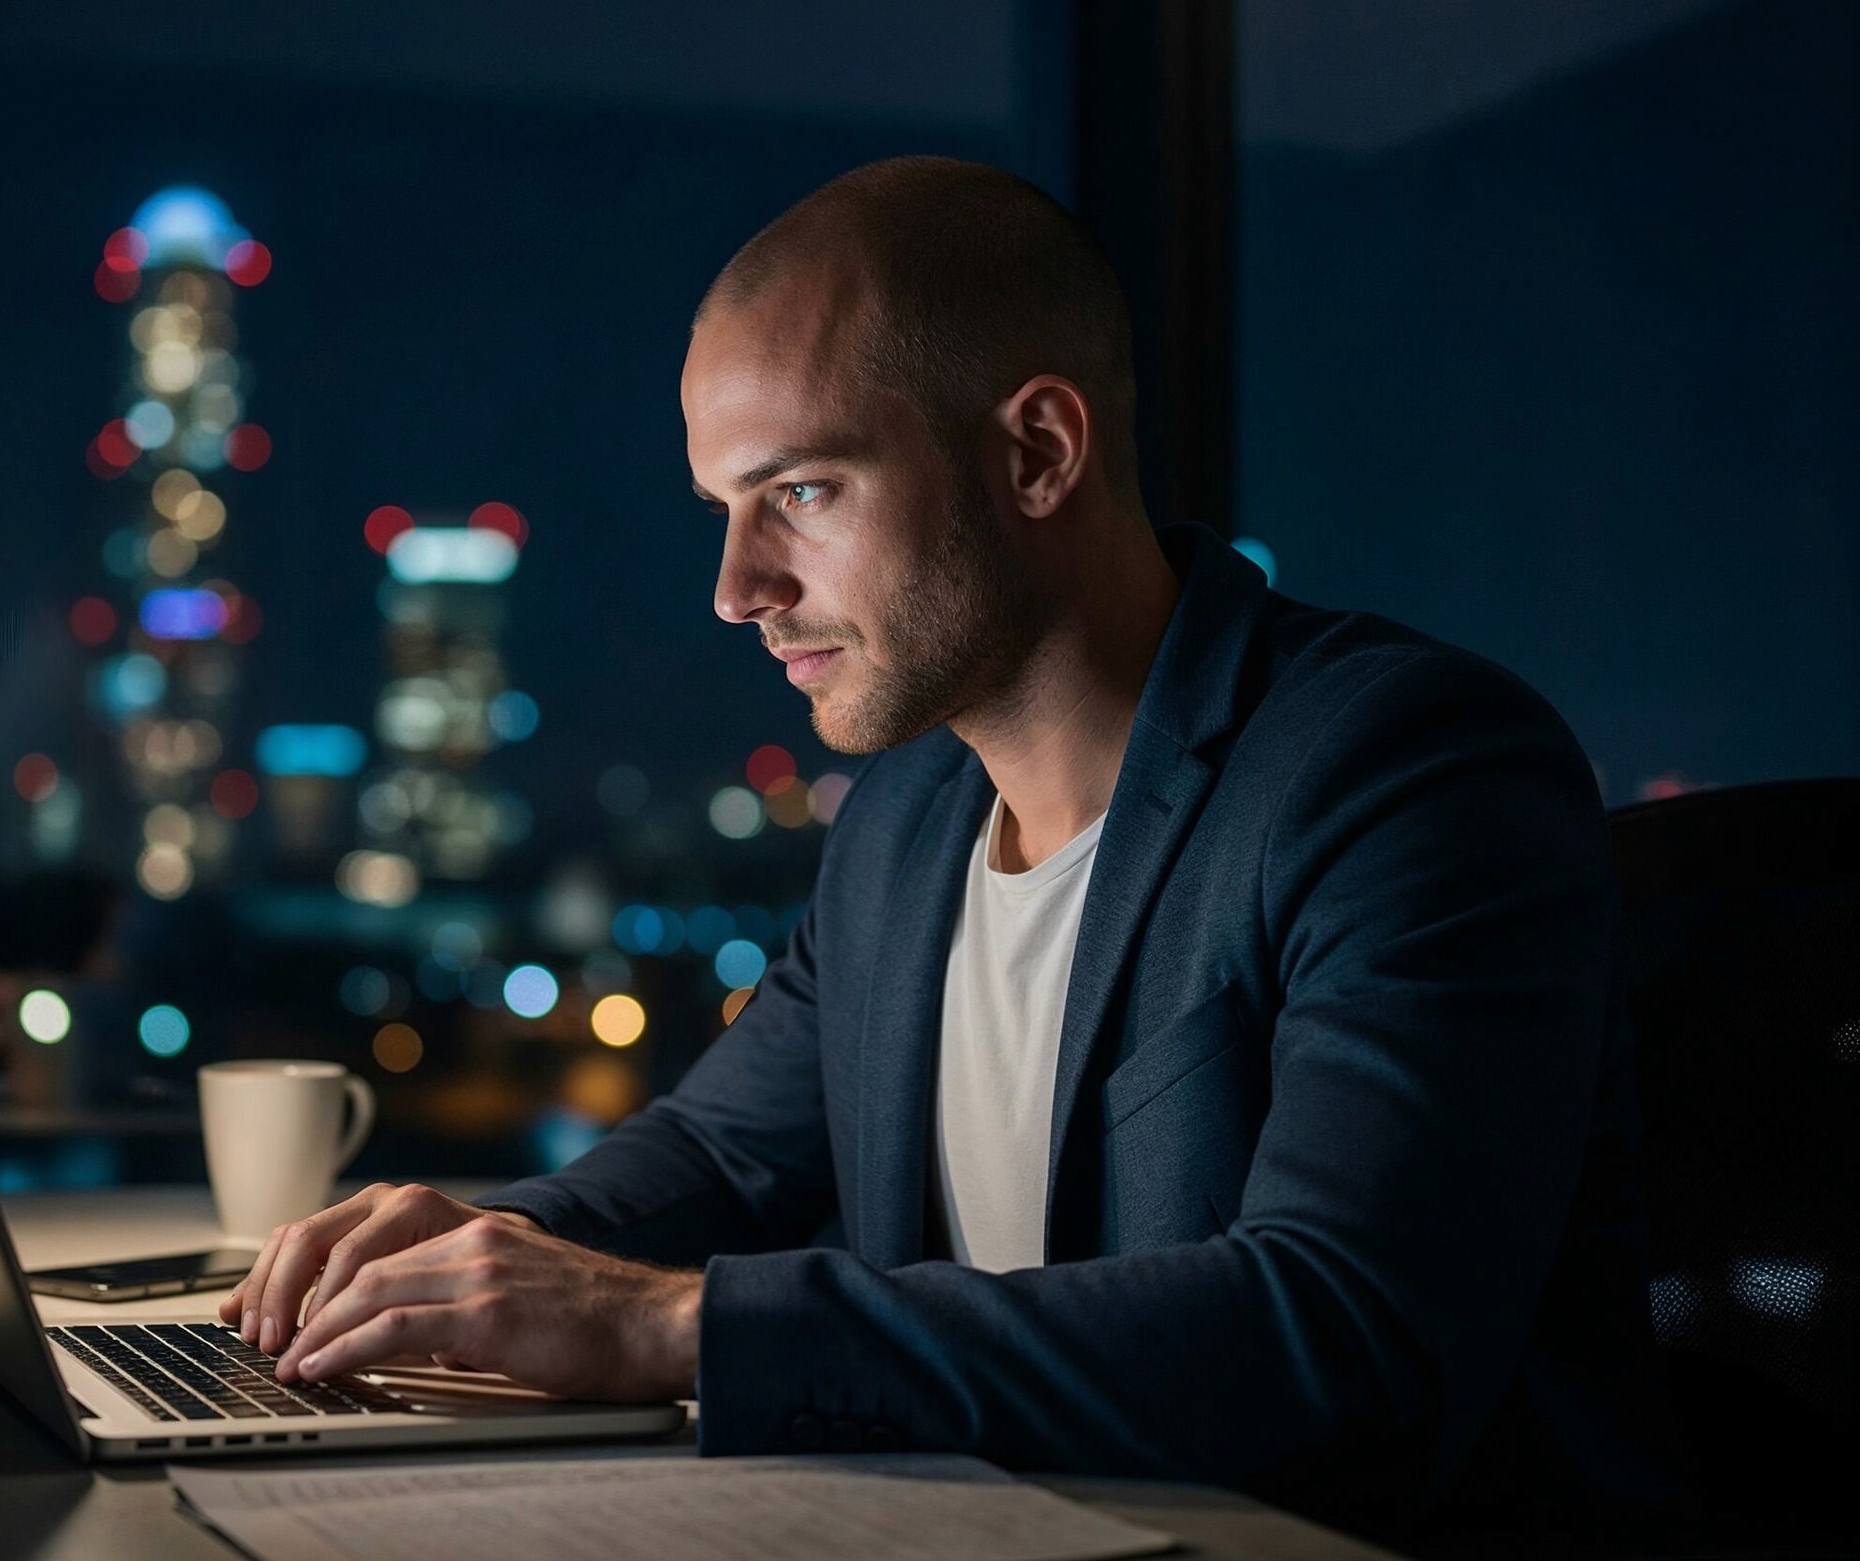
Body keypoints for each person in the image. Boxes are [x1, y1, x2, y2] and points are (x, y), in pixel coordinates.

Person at [218, 158, 1682, 1538]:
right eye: (721, 509)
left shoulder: (1403, 772)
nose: (735, 589)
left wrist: (661, 1326)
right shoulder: (908, 821)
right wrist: (447, 1257)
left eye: (798, 492)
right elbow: (722, 1157)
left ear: (1038, 452)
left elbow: (1342, 1337)